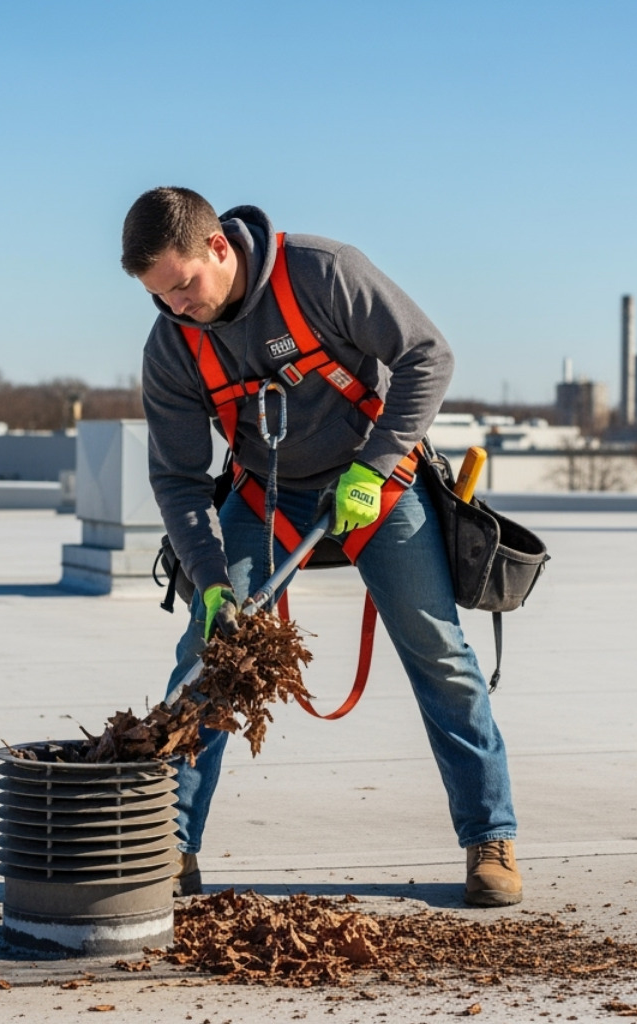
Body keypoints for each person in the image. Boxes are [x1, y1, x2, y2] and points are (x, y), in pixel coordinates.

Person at [120, 187, 520, 907]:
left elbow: (428, 354)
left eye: (183, 286)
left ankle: (490, 837)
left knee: (439, 653)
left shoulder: (323, 274)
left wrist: (374, 464)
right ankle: (169, 848)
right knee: (209, 656)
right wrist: (211, 580)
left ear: (219, 247)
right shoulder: (172, 345)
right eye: (160, 297)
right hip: (263, 493)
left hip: (375, 478)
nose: (178, 306)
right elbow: (179, 480)